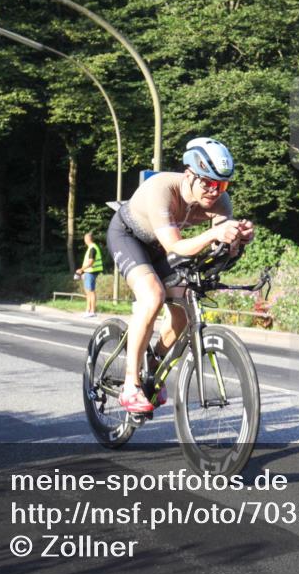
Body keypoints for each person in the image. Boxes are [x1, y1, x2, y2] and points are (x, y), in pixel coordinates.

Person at [106, 137, 254, 413]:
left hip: (163, 248)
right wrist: (213, 232)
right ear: (189, 175)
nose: (214, 191)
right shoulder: (160, 189)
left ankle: (153, 367)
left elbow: (220, 249)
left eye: (221, 184)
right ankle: (130, 385)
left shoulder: (221, 202)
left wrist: (237, 241)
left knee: (184, 311)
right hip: (129, 237)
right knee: (152, 296)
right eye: (208, 183)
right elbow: (176, 246)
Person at [75, 232, 103, 318]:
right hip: (90, 271)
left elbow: (91, 262)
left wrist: (81, 270)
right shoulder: (93, 247)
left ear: (87, 239)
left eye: (85, 239)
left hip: (91, 271)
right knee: (88, 291)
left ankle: (92, 311)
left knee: (91, 291)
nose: (84, 240)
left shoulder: (92, 248)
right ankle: (88, 310)